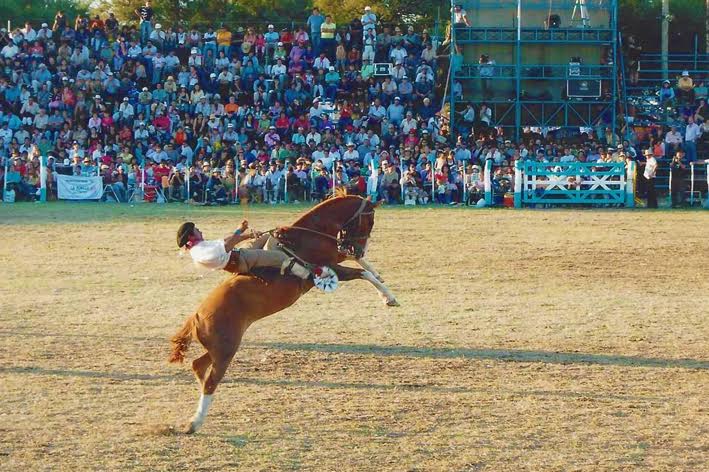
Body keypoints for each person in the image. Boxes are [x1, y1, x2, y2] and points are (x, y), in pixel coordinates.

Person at [176, 220, 313, 278]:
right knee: (281, 258)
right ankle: (307, 275)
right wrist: (247, 234)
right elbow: (228, 245)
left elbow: (225, 242)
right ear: (191, 235)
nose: (199, 230)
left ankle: (269, 256)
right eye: (196, 229)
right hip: (242, 261)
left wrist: (240, 230)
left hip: (239, 255)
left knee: (269, 234)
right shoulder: (199, 251)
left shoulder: (200, 246)